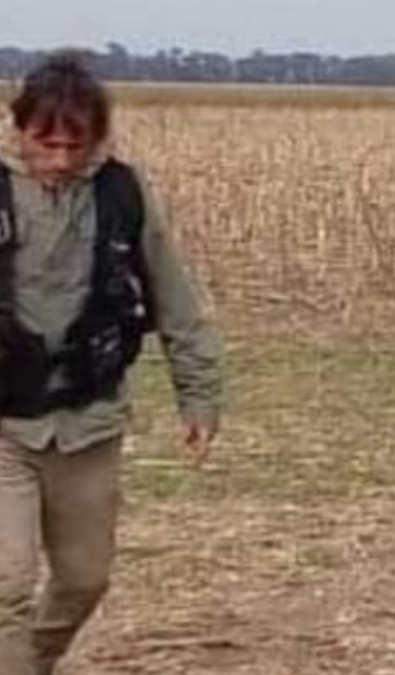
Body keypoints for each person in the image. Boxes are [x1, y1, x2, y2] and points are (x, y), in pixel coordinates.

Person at [0, 54, 223, 675]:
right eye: (47, 142)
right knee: (6, 584)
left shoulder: (123, 192)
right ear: (19, 129)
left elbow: (174, 298)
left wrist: (199, 395)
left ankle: (27, 662)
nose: (63, 158)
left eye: (78, 144)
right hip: (3, 426)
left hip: (89, 420)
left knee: (84, 579)